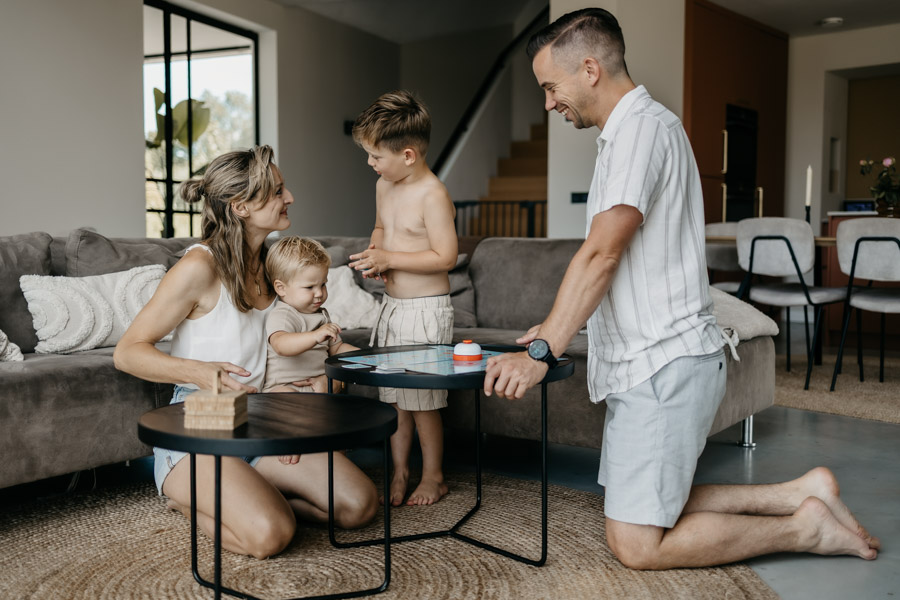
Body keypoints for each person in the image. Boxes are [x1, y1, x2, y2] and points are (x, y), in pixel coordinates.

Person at [483, 8, 880, 569]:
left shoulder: (639, 132)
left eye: (551, 87)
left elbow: (602, 254)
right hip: (653, 364)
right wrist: (549, 329)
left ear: (590, 68)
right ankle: (796, 494)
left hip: (664, 367)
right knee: (640, 506)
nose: (548, 103)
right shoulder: (630, 133)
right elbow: (622, 263)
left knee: (636, 544)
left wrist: (545, 349)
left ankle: (805, 529)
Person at [114, 146, 377, 559]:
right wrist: (200, 373)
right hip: (201, 417)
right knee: (271, 535)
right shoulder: (199, 268)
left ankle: (250, 494)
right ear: (240, 206)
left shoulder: (274, 267)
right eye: (276, 191)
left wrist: (322, 378)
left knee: (358, 505)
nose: (289, 197)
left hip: (264, 413)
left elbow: (295, 340)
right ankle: (188, 496)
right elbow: (128, 352)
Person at [349, 90, 459, 507]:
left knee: (424, 401)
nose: (371, 164)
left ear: (409, 155)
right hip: (393, 309)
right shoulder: (384, 186)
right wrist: (378, 256)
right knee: (395, 397)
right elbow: (380, 229)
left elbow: (445, 257)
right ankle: (400, 473)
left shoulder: (433, 194)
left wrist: (391, 256)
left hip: (425, 312)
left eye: (376, 156)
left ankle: (434, 476)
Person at [262, 236, 358, 393]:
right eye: (309, 287)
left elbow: (337, 348)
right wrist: (315, 336)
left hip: (317, 386)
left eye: (323, 284)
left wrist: (363, 357)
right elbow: (281, 345)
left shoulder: (322, 315)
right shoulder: (284, 314)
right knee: (285, 396)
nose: (319, 293)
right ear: (281, 288)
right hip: (285, 387)